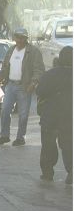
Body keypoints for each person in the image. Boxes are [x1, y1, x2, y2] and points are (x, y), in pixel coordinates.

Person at [0, 27, 45, 146]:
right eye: (17, 37)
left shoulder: (33, 51)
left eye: (22, 38)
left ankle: (20, 137)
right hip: (10, 85)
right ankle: (4, 135)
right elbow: (5, 66)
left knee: (23, 114)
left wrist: (33, 83)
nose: (19, 40)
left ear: (26, 39)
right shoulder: (11, 50)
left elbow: (39, 70)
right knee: (5, 111)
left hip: (24, 86)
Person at [36, 46, 72, 185]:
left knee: (48, 146)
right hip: (69, 117)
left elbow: (40, 91)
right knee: (69, 145)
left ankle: (47, 173)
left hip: (50, 116)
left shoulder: (51, 74)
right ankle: (71, 172)